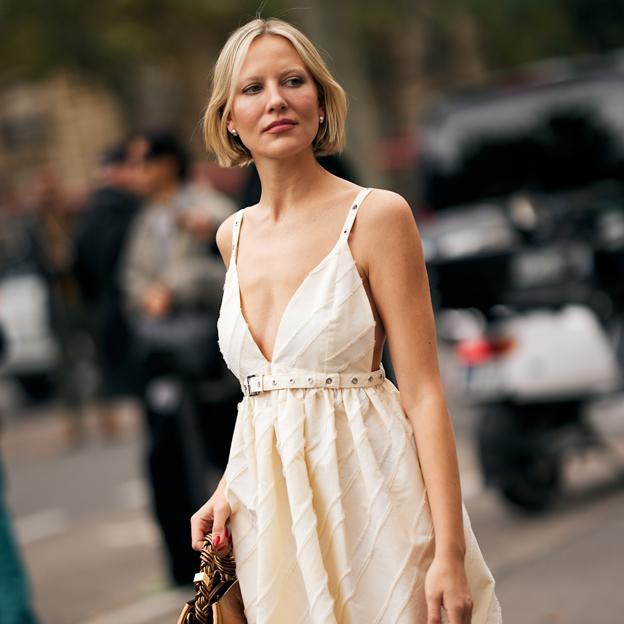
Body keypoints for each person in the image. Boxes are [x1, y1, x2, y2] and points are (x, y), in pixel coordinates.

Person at [191, 17, 502, 624]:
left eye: (292, 81)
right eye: (252, 89)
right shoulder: (232, 236)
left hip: (375, 499)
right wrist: (228, 488)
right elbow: (265, 396)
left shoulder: (378, 216)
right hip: (272, 519)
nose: (276, 100)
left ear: (320, 99)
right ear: (229, 116)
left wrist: (449, 552)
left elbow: (424, 393)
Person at [121, 131, 237, 586]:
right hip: (168, 359)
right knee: (174, 457)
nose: (137, 174)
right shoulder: (146, 221)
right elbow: (130, 278)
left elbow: (233, 266)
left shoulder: (207, 208)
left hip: (214, 357)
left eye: (144, 162)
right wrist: (147, 294)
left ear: (167, 163)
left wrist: (175, 288)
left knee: (225, 452)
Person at [73, 139, 144, 436]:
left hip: (108, 313)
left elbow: (80, 271)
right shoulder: (134, 210)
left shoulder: (87, 217)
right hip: (139, 312)